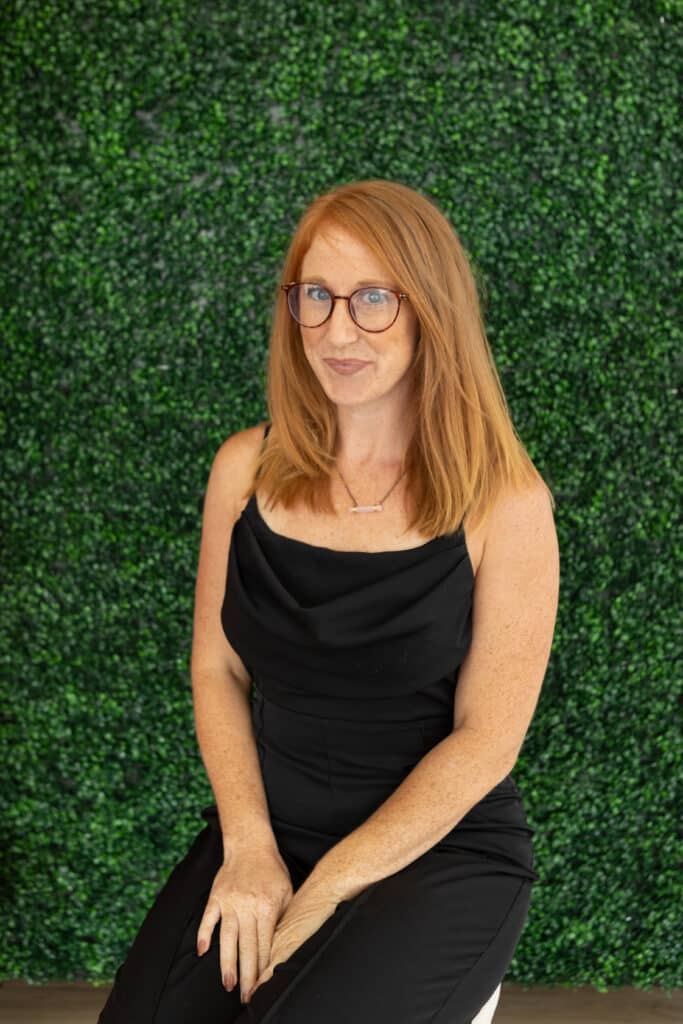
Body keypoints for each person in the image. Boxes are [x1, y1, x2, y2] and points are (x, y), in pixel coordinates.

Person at [98, 178, 559, 1024]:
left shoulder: (506, 504)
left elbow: (486, 742)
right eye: (316, 295)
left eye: (373, 298)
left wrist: (327, 889)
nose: (337, 329)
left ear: (431, 312)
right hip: (266, 836)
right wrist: (247, 850)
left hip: (434, 855)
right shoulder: (243, 469)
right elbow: (215, 667)